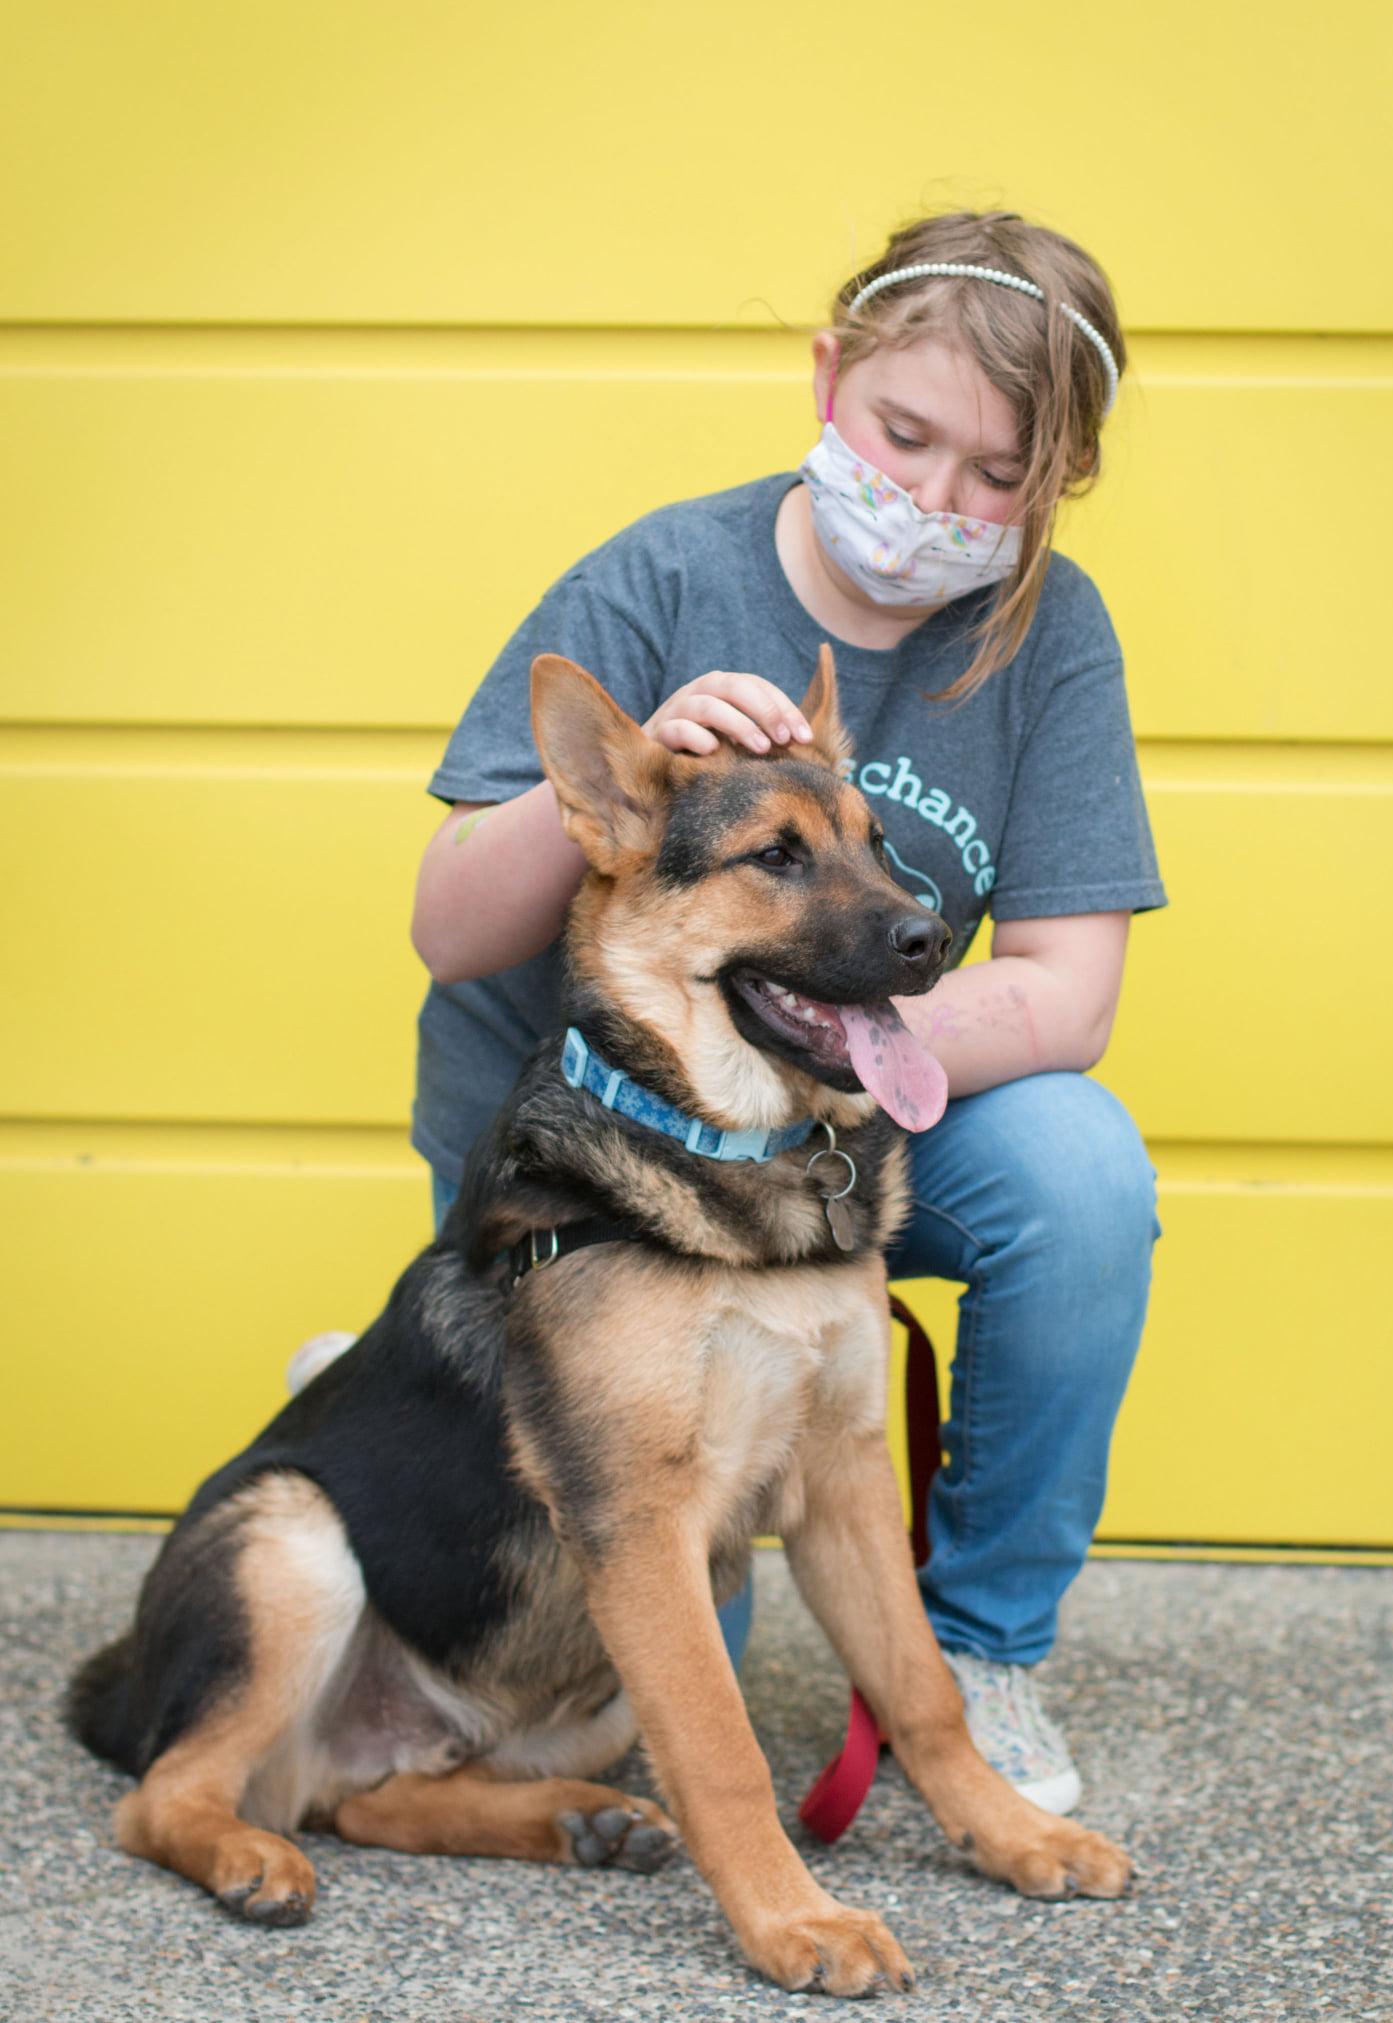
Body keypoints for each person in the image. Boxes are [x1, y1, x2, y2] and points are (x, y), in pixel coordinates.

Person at [292, 209, 1165, 1818]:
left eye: (997, 475)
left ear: (1058, 484)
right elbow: (448, 927)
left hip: (827, 1129)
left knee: (1081, 1172)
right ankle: (442, 1402)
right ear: (828, 379)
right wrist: (626, 778)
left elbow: (1066, 992)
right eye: (902, 435)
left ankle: (979, 1648)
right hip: (590, 1164)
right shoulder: (659, 578)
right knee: (654, 1626)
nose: (934, 499)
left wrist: (818, 1050)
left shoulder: (1048, 637)